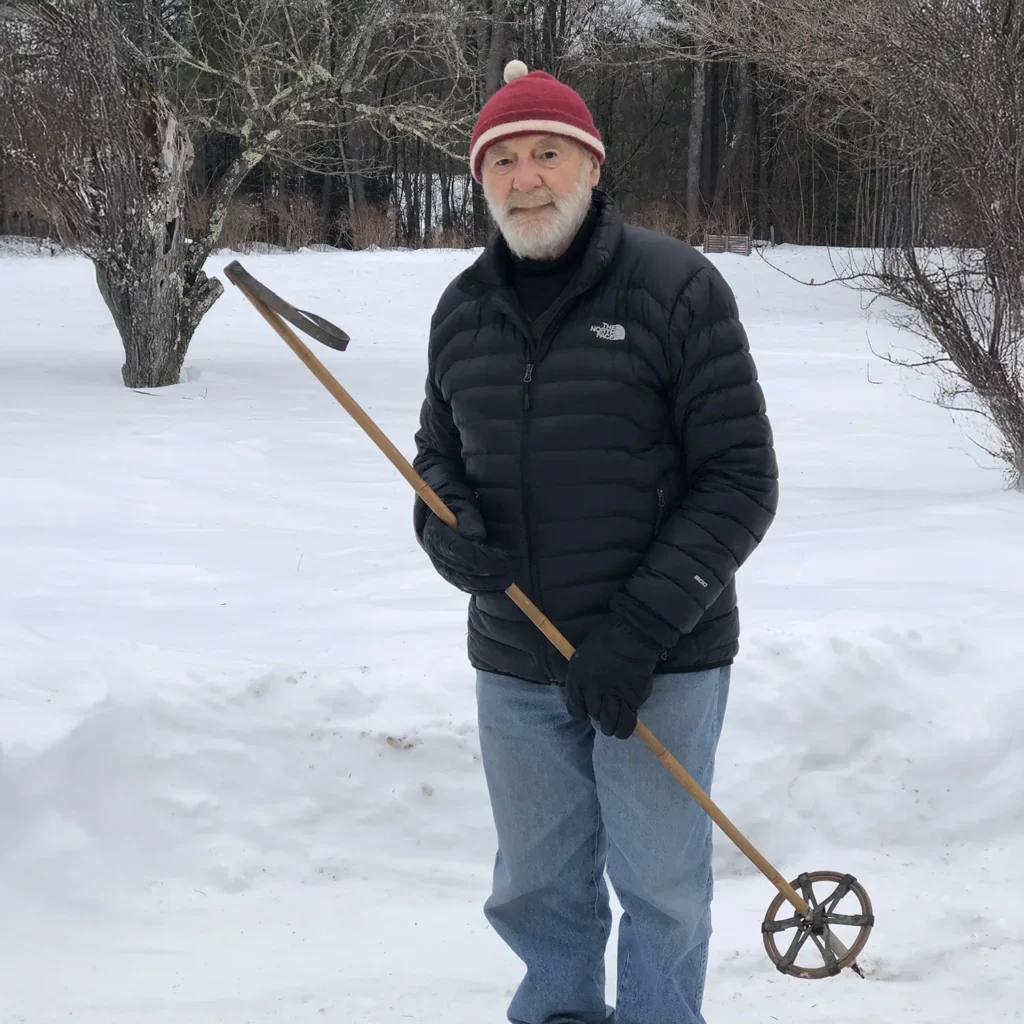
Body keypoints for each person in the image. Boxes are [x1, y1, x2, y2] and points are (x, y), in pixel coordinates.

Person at [412, 59, 779, 1024]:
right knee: (537, 885)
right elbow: (434, 462)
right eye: (503, 162)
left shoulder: (676, 287)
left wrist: (637, 633)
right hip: (516, 659)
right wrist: (446, 537)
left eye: (547, 155)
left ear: (590, 165)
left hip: (660, 656)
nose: (525, 179)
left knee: (660, 887)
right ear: (481, 178)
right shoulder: (462, 309)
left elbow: (741, 480)